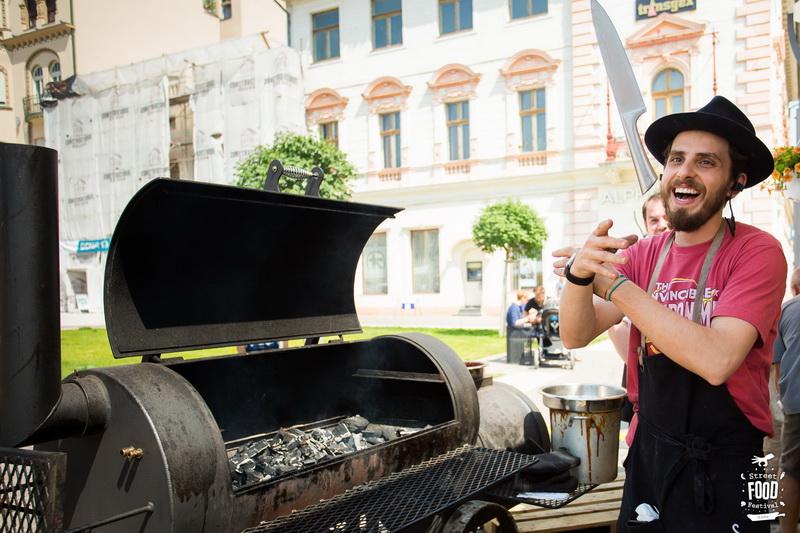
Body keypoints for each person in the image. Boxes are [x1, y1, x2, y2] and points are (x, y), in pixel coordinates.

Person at [555, 95, 787, 531]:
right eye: (677, 159)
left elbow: (718, 362)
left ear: (735, 183)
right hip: (651, 451)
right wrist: (579, 276)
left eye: (705, 162)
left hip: (736, 458)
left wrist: (619, 288)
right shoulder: (644, 252)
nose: (684, 171)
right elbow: (575, 335)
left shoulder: (758, 252)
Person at [607, 193, 669, 423]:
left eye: (667, 217)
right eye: (654, 220)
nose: (662, 225)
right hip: (647, 371)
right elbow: (613, 325)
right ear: (645, 225)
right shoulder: (635, 259)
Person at [774, 268, 800, 533]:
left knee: (791, 469)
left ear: (793, 289)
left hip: (796, 403)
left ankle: (787, 529)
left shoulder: (786, 311)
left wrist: (783, 398)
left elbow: (777, 366)